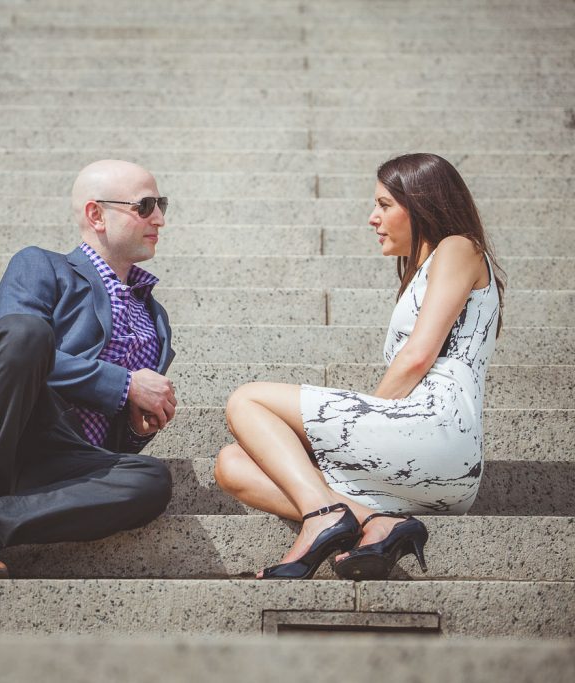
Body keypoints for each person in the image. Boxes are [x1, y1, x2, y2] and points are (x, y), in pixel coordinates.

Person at [215, 153, 505, 580]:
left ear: (423, 204)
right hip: (426, 464)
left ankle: (322, 518)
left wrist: (357, 421)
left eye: (385, 205)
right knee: (233, 463)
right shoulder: (426, 268)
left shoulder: (459, 247)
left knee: (246, 401)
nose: (373, 218)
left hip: (437, 431)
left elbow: (418, 356)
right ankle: (376, 522)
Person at [0, 159, 177, 579]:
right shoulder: (41, 266)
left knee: (153, 481)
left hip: (65, 461)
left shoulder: (155, 318)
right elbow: (14, 355)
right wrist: (124, 384)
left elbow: (116, 432)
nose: (160, 219)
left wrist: (137, 428)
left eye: (162, 205)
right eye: (146, 205)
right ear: (96, 214)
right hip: (2, 434)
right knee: (25, 332)